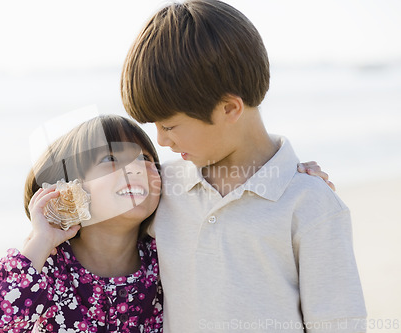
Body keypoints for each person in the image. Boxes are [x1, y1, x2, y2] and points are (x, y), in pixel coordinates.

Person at [121, 0, 366, 332]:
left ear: (229, 108)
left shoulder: (310, 203)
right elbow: (93, 240)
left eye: (169, 126)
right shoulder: (161, 188)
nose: (161, 142)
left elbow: (338, 322)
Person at [0, 115, 164, 332]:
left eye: (145, 158)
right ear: (70, 188)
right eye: (110, 158)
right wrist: (41, 241)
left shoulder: (162, 256)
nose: (136, 168)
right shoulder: (48, 265)